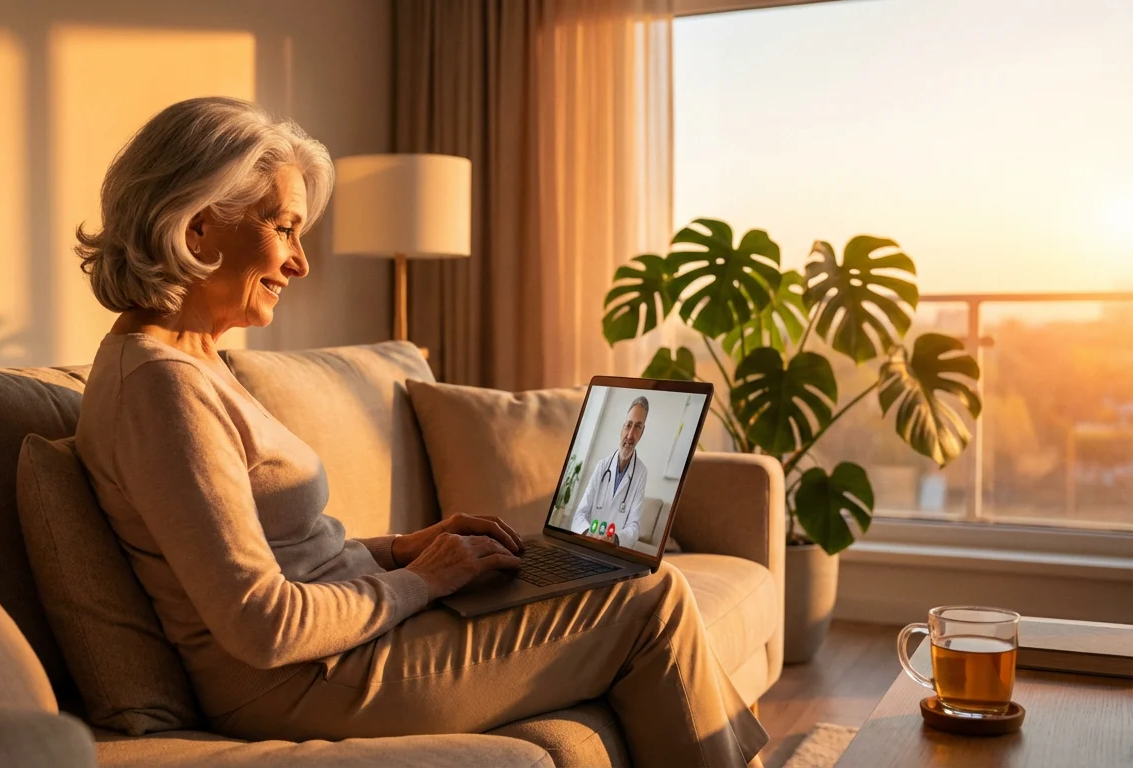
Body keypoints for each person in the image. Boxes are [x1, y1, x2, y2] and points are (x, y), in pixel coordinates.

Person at [72, 96, 766, 767]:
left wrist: (406, 549)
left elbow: (286, 557)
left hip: (349, 645)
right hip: (309, 681)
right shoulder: (160, 388)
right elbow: (265, 623)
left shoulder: (197, 364)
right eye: (283, 228)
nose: (300, 262)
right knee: (651, 597)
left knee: (602, 570)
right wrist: (424, 581)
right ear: (197, 228)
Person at [569, 396, 651, 548]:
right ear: (622, 427)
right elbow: (579, 515)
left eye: (638, 427)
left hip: (613, 552)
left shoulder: (641, 473)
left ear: (642, 432)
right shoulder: (602, 466)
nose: (630, 435)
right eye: (628, 425)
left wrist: (614, 539)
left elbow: (634, 527)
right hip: (588, 546)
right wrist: (589, 534)